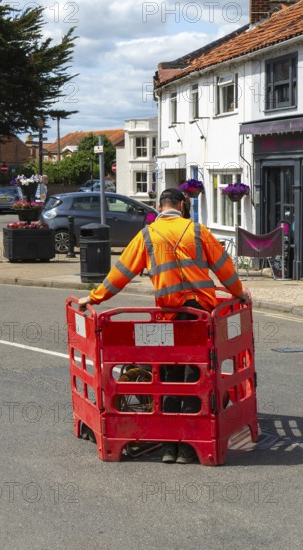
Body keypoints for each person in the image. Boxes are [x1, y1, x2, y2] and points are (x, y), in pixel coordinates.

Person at [78, 187, 249, 464]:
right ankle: (192, 445)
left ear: (160, 206)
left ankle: (170, 447)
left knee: (168, 376)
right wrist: (240, 293)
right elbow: (224, 267)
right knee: (197, 375)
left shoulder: (147, 235)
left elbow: (120, 273)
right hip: (200, 317)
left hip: (169, 317)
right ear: (182, 205)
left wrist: (94, 297)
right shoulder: (198, 231)